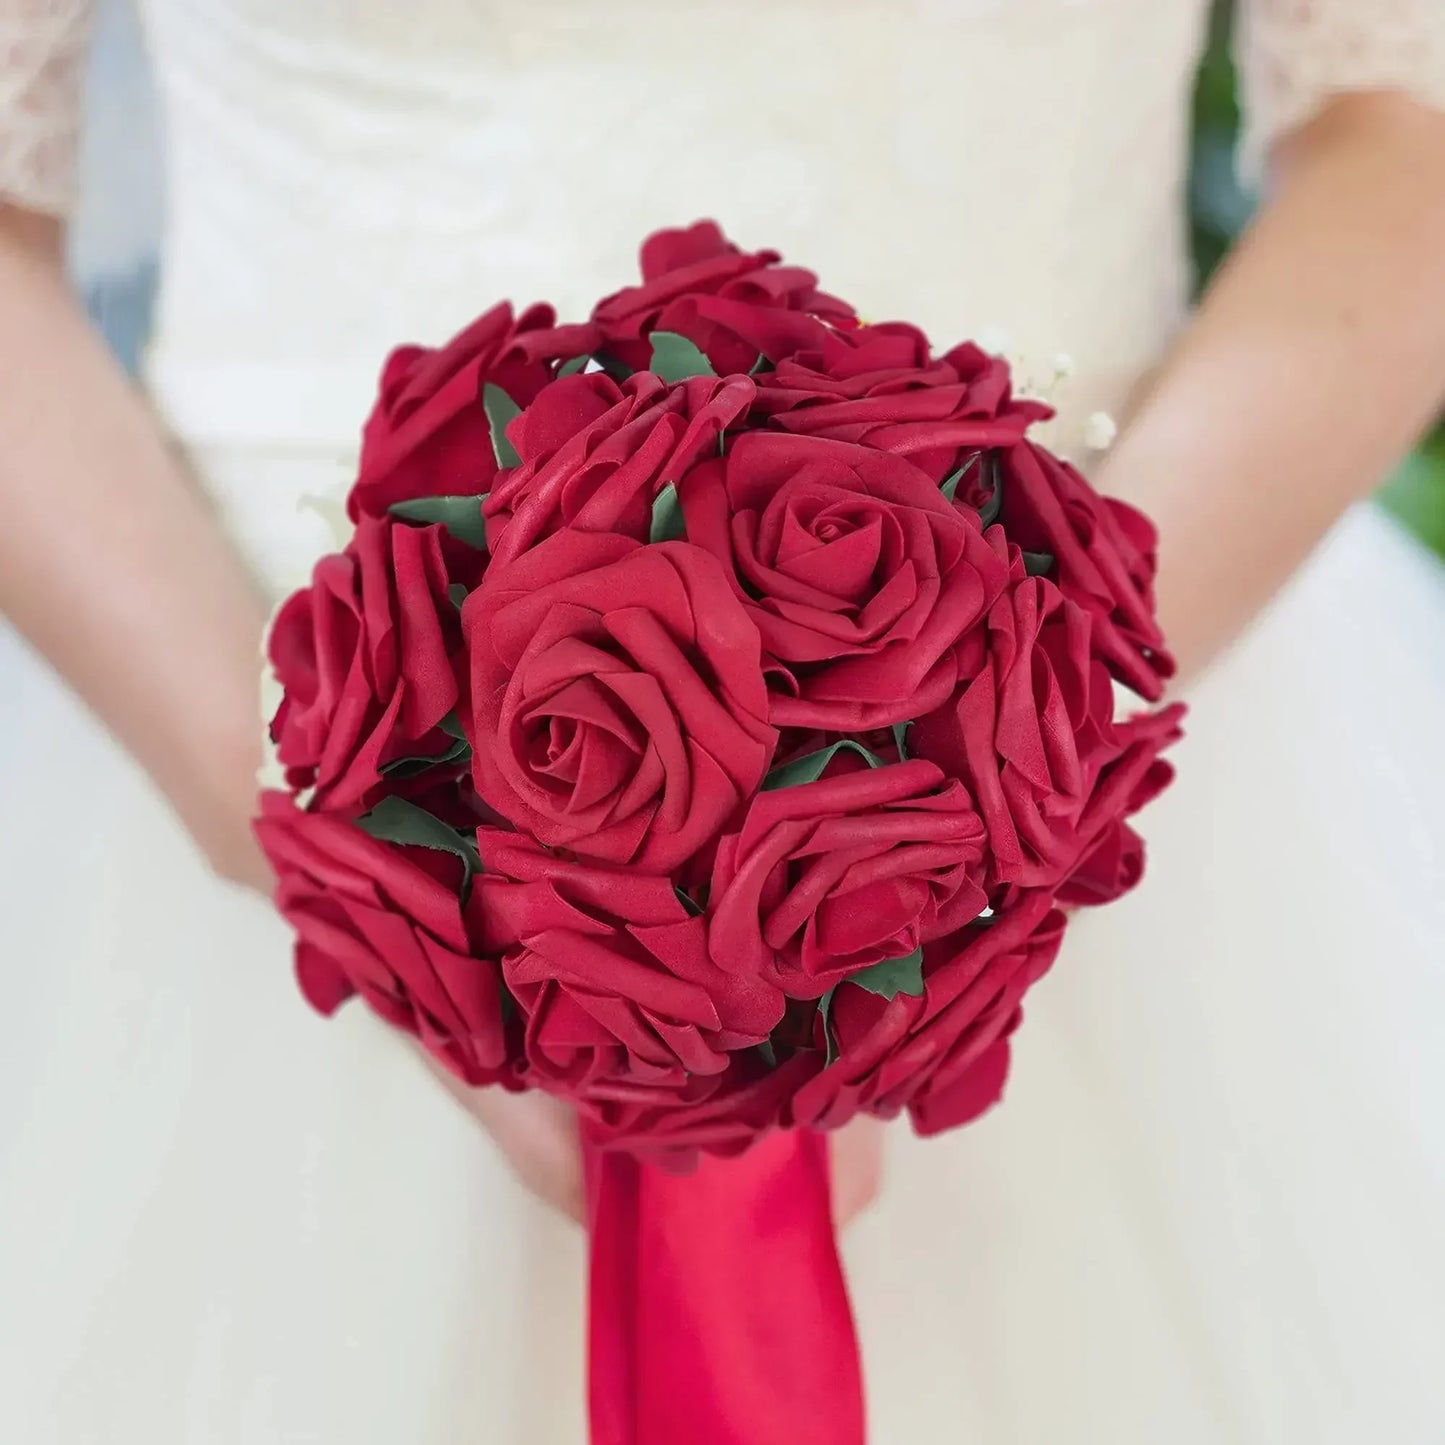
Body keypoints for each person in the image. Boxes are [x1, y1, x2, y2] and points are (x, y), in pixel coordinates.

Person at [1, 1, 1442, 1440]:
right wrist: (318, 840)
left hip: (1129, 704)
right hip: (236, 726)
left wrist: (1008, 753)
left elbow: (1404, 130)